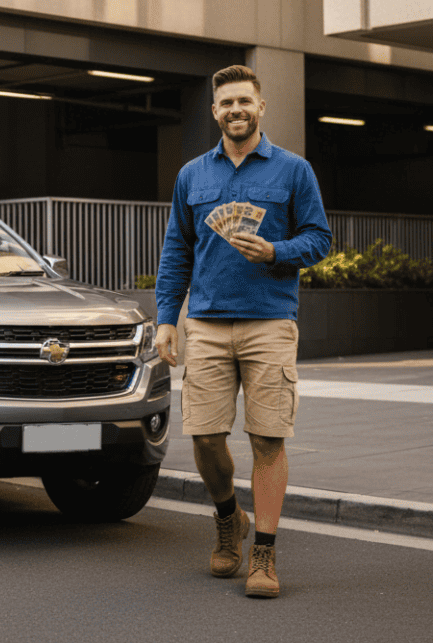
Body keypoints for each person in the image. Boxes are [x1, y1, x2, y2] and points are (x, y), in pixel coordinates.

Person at [155, 65, 331, 599]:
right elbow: (176, 251)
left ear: (261, 107)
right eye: (226, 102)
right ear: (215, 111)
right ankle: (229, 517)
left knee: (267, 439)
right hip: (206, 323)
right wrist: (167, 318)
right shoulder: (193, 176)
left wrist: (278, 251)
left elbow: (320, 239)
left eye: (245, 101)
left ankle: (264, 553)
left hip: (270, 323)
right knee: (205, 437)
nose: (236, 110)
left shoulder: (294, 171)